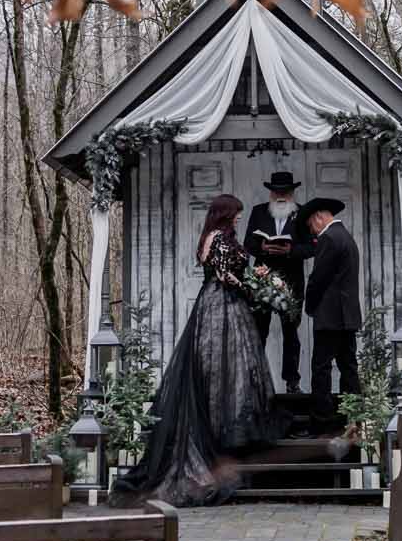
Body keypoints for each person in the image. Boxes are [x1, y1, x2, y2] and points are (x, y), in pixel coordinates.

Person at [114, 193, 287, 506]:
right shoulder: (220, 238)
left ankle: (225, 430)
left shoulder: (213, 236)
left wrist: (256, 279)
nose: (238, 218)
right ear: (224, 214)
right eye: (236, 213)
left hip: (216, 303)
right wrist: (253, 289)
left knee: (225, 368)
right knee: (225, 366)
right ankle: (223, 433)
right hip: (222, 306)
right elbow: (224, 276)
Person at [244, 168, 313, 393]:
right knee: (259, 332)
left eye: (285, 191)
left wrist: (289, 250)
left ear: (292, 192)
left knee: (291, 335)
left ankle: (292, 382)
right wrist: (263, 247)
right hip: (263, 281)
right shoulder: (258, 212)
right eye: (276, 192)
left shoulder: (302, 214)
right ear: (271, 193)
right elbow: (248, 244)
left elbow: (310, 248)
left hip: (291, 283)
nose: (281, 195)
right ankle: (256, 381)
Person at [302, 198, 363, 426]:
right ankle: (354, 418)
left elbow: (319, 279)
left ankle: (321, 420)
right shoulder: (346, 236)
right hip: (347, 315)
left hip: (330, 315)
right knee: (348, 366)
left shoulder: (328, 238)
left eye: (310, 225)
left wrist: (309, 306)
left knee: (321, 367)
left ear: (319, 216)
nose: (311, 230)